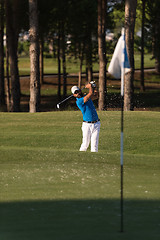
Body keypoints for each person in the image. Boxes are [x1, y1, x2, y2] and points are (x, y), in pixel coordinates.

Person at [71, 83, 100, 152]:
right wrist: (90, 87)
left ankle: (94, 161)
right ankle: (81, 158)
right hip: (87, 125)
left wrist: (94, 87)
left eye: (78, 91)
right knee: (85, 144)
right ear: (74, 95)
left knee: (94, 145)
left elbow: (95, 96)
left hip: (96, 123)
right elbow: (90, 94)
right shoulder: (79, 101)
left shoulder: (86, 97)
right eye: (75, 92)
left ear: (80, 90)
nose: (77, 93)